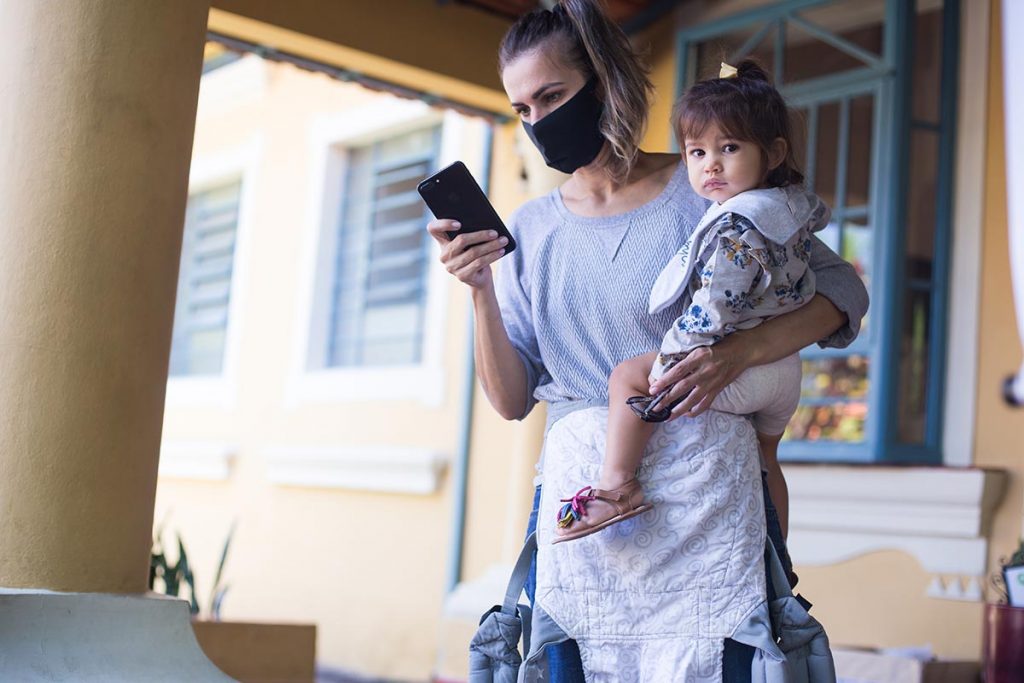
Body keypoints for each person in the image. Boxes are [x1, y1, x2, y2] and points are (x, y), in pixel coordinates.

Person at [426, 1, 867, 679]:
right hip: (585, 500)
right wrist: (481, 287)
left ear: (604, 82)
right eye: (522, 110)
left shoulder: (712, 189)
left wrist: (738, 353)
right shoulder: (531, 230)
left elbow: (843, 293)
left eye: (552, 96)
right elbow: (512, 400)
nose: (540, 122)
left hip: (706, 498)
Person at [552, 60, 820, 545]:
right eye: (696, 152)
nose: (710, 164)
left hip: (747, 368)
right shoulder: (789, 207)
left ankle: (616, 487)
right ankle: (778, 564)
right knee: (766, 460)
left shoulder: (736, 226)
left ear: (774, 152)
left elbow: (715, 306)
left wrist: (672, 359)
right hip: (785, 370)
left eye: (729, 148)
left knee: (628, 376)